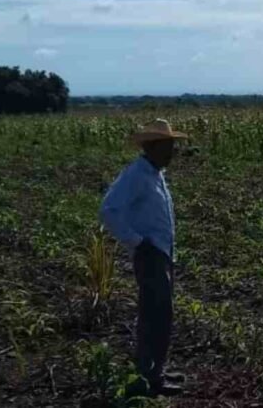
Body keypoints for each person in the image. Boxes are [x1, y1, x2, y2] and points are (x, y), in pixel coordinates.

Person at [99, 119, 187, 396]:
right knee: (155, 316)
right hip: (151, 256)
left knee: (161, 315)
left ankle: (154, 371)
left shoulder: (155, 173)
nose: (173, 152)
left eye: (173, 146)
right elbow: (108, 210)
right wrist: (137, 241)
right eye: (168, 146)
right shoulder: (136, 175)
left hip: (162, 254)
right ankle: (149, 379)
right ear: (152, 146)